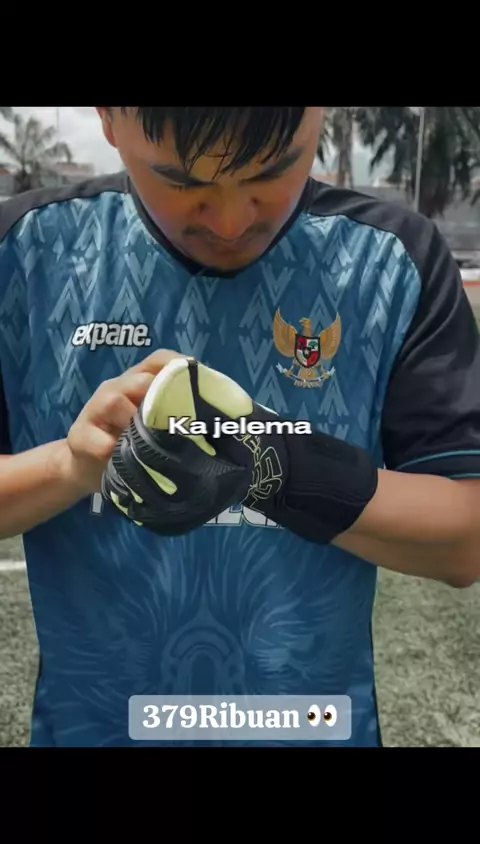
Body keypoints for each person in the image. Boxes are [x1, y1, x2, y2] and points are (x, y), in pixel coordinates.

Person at [0, 106, 479, 748]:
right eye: (182, 181)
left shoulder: (389, 261)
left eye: (273, 170)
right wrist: (70, 467)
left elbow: (464, 541)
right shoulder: (24, 253)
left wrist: (270, 466)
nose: (230, 222)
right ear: (108, 119)